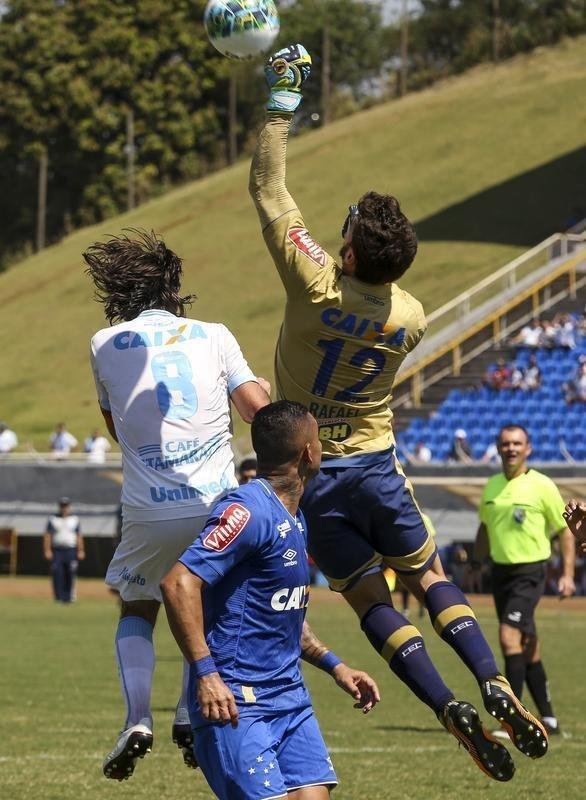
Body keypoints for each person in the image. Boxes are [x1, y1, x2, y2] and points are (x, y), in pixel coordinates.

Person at [248, 43, 547, 782]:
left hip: (314, 478)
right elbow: (364, 278)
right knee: (431, 577)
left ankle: (449, 708)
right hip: (377, 464)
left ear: (346, 252)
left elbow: (267, 187)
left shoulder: (315, 286)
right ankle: (495, 681)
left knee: (369, 601)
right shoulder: (409, 314)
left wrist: (283, 98)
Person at [85, 228, 271, 780]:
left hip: (147, 510)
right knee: (205, 607)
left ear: (121, 293)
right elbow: (257, 411)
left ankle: (137, 717)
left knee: (138, 607)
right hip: (215, 506)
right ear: (174, 289)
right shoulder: (215, 334)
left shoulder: (102, 344)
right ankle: (190, 712)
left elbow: (117, 430)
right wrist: (261, 385)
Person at [161, 401, 380, 800]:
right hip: (236, 701)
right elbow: (178, 584)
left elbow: (282, 614)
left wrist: (336, 666)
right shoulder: (245, 510)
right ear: (308, 453)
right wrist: (207, 675)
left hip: (290, 697)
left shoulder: (295, 515)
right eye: (318, 441)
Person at [472, 424, 576, 736]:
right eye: (505, 444)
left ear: (528, 448)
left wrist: (568, 574)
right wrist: (477, 563)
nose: (511, 449)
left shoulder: (543, 486)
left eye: (517, 443)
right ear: (499, 448)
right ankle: (549, 718)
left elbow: (564, 532)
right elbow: (484, 529)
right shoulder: (491, 486)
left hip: (530, 572)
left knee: (508, 636)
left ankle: (513, 719)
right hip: (501, 574)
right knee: (527, 646)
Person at [43, 497, 85, 603]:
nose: (64, 508)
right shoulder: (53, 519)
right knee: (57, 572)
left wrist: (81, 550)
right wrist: (47, 550)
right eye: (62, 506)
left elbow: (79, 536)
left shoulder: (74, 519)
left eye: (66, 506)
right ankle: (59, 596)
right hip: (57, 550)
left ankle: (69, 596)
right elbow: (48, 535)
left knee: (70, 572)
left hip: (71, 550)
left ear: (69, 507)